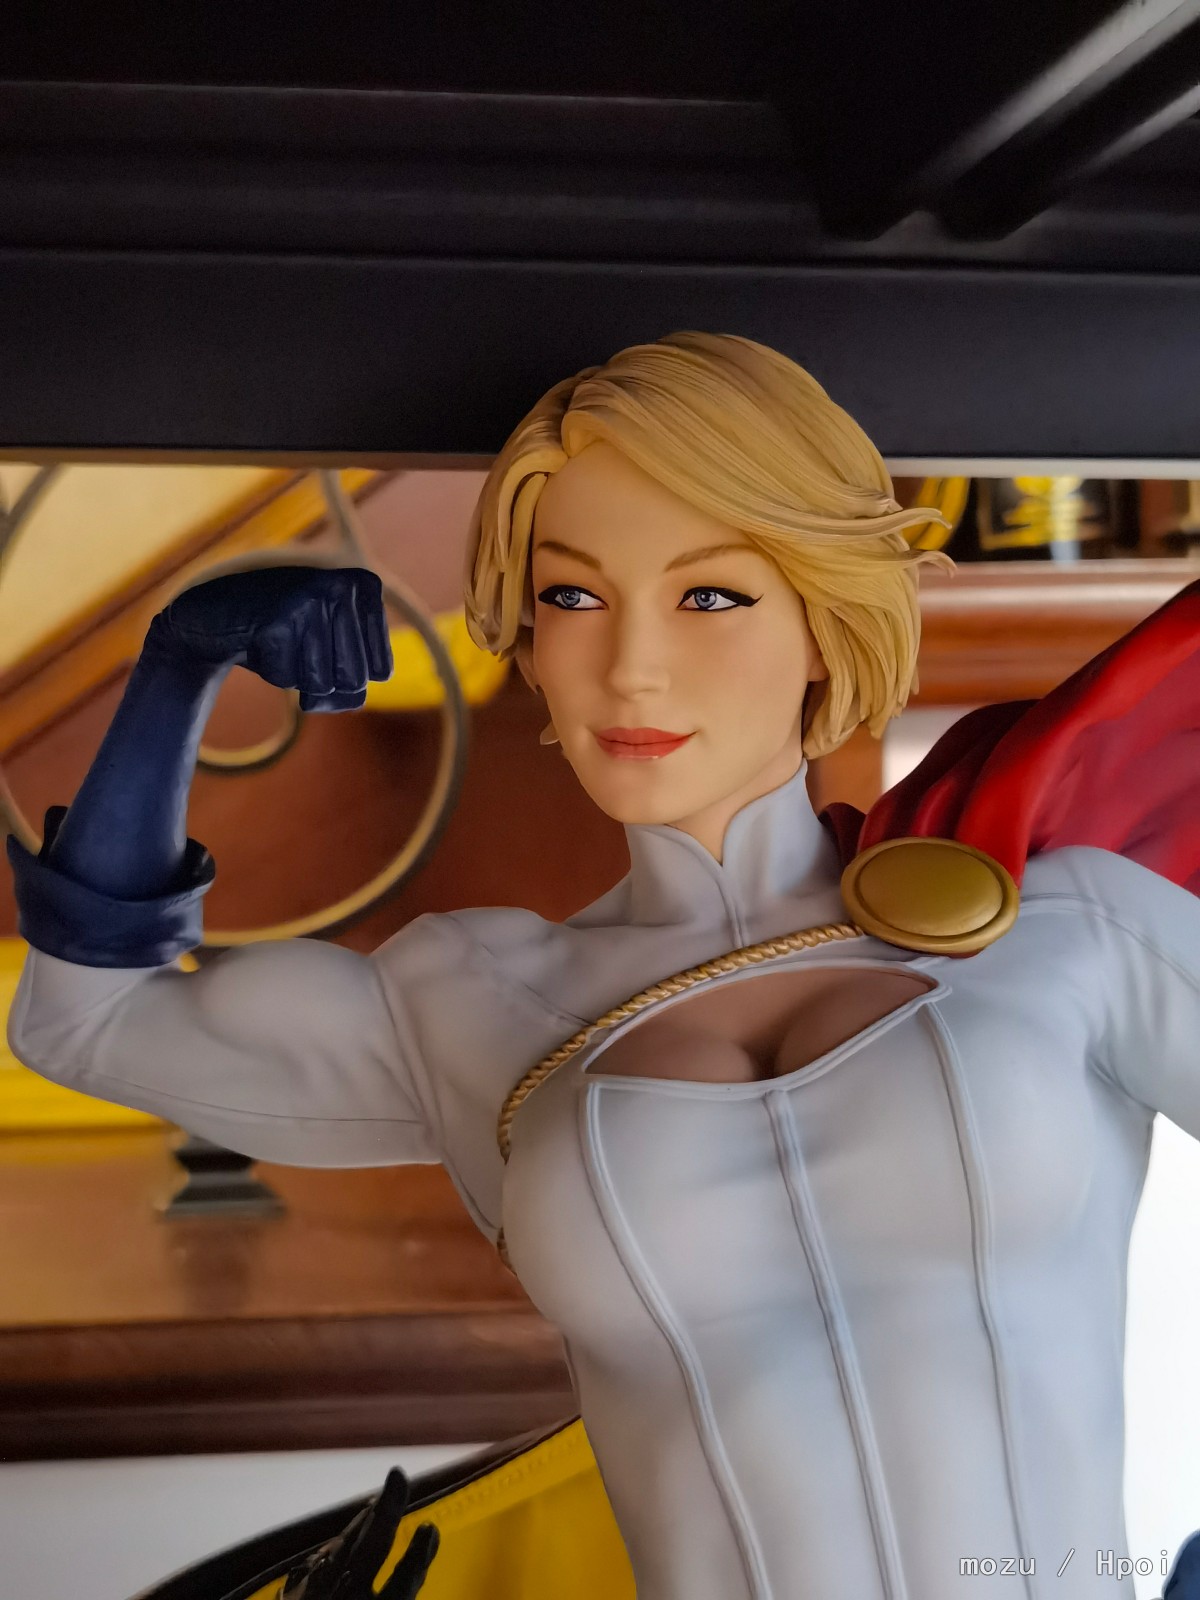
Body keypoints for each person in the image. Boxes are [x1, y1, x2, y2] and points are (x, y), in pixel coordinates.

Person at [7, 333, 1200, 1599]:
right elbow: (84, 1022)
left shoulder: (1065, 930)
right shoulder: (471, 1000)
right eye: (573, 598)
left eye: (711, 596)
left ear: (824, 620)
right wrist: (181, 660)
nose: (630, 666)